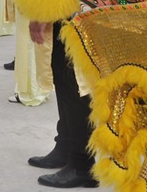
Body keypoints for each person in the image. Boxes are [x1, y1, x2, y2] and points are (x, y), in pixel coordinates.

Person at [28, 21, 98, 188]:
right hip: (71, 8)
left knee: (75, 81)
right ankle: (66, 145)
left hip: (82, 10)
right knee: (62, 70)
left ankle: (81, 164)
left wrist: (43, 12)